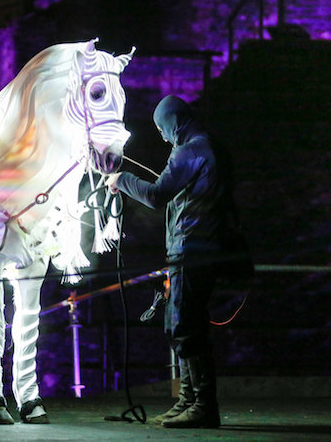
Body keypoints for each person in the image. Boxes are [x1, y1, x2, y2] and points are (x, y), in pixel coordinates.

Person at [107, 95, 252, 429]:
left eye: (162, 129)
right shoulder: (210, 149)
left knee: (185, 327)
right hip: (199, 250)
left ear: (174, 122)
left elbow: (156, 195)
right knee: (182, 325)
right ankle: (188, 400)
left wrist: (122, 180)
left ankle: (202, 405)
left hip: (192, 251)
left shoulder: (191, 151)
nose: (162, 137)